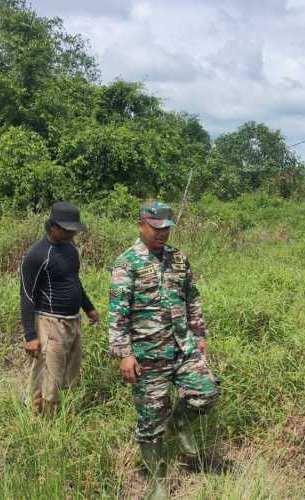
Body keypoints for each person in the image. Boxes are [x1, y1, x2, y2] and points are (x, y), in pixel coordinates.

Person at [108, 201, 220, 499]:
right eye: (157, 228)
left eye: (166, 229)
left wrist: (199, 332)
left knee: (206, 392)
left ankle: (180, 422)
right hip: (147, 355)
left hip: (183, 347)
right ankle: (158, 482)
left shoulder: (179, 259)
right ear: (141, 225)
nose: (162, 234)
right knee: (151, 422)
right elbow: (118, 313)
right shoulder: (127, 263)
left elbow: (192, 297)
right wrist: (124, 353)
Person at [20, 201, 100, 415]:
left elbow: (74, 281)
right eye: (67, 230)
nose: (72, 234)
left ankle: (63, 413)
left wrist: (88, 307)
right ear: (52, 226)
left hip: (73, 320)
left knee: (69, 372)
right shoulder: (37, 255)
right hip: (50, 322)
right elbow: (26, 295)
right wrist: (30, 336)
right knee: (50, 374)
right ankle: (44, 420)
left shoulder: (70, 249)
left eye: (74, 230)